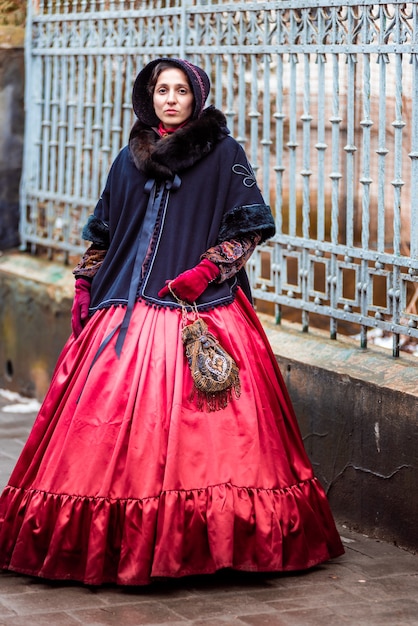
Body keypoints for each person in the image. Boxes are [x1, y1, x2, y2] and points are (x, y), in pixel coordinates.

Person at [0, 58, 344, 586]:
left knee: (211, 438)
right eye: (162, 89)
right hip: (123, 314)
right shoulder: (128, 158)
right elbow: (104, 231)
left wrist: (206, 271)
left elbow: (250, 228)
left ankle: (211, 541)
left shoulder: (224, 154)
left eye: (181, 90)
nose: (171, 99)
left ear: (196, 97)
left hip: (198, 313)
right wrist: (86, 284)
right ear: (148, 96)